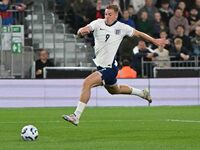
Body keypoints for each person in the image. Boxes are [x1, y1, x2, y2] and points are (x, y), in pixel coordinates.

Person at [62, 5, 167, 126]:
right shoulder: (98, 23)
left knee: (87, 83)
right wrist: (81, 31)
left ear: (116, 15)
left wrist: (155, 41)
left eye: (110, 14)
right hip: (101, 67)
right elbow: (83, 30)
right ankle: (142, 93)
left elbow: (139, 34)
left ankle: (76, 116)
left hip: (110, 68)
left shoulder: (122, 27)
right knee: (114, 90)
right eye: (106, 14)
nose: (107, 16)